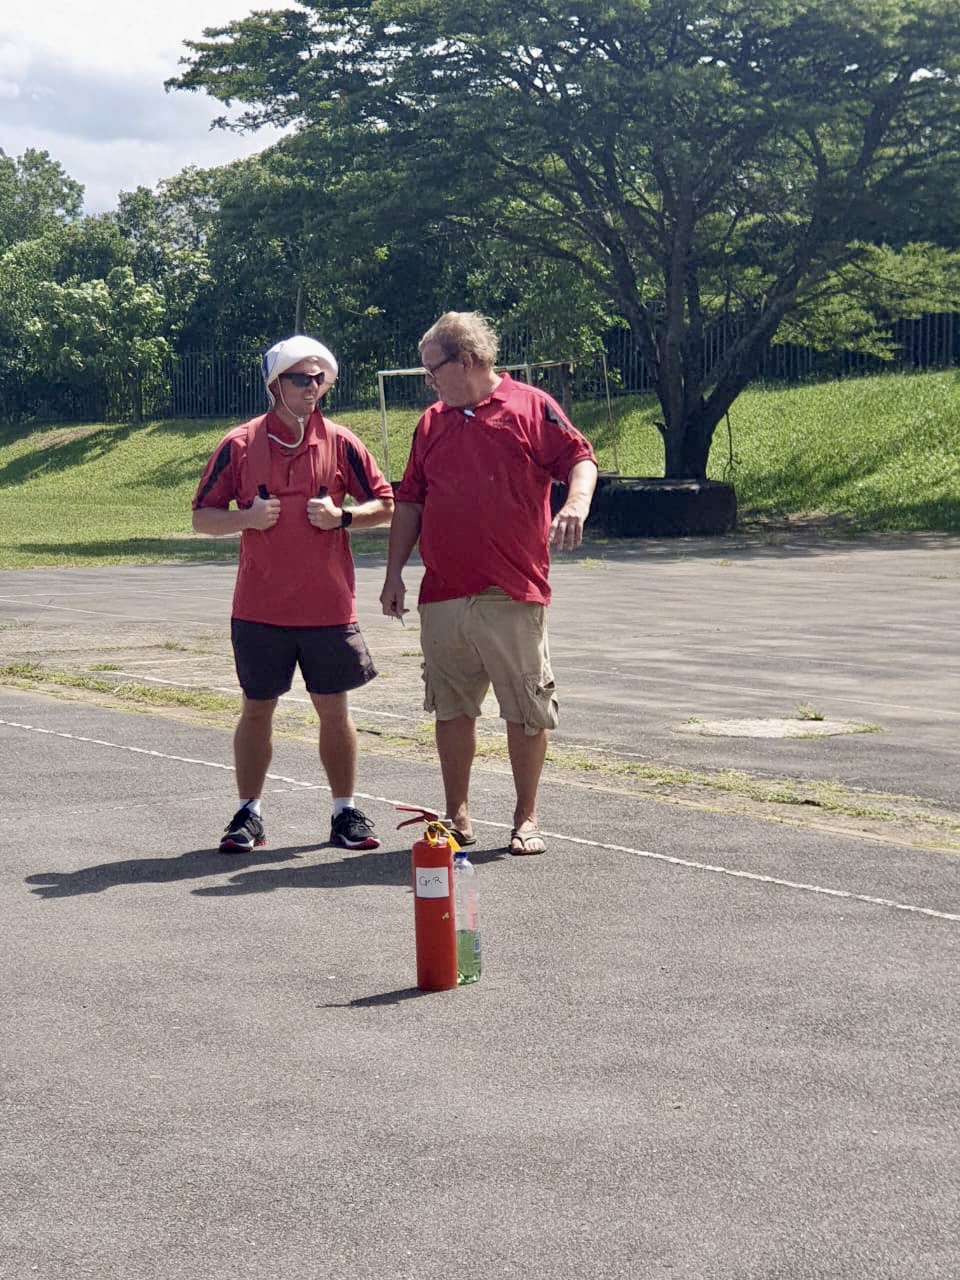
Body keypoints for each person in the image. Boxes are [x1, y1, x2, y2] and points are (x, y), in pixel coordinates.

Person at [380, 311, 598, 856]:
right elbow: (410, 500)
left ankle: (526, 818)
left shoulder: (530, 405)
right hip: (444, 593)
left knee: (526, 708)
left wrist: (575, 504)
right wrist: (393, 575)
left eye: (434, 370)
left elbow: (581, 459)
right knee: (451, 708)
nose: (429, 382)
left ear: (469, 361)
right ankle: (457, 815)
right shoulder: (431, 422)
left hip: (513, 590)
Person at [192, 335, 395, 853]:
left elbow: (387, 504)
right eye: (301, 379)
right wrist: (247, 519)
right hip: (259, 608)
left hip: (328, 606)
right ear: (274, 384)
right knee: (257, 709)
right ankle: (248, 813)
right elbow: (201, 517)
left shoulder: (342, 442)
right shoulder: (239, 445)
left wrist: (342, 516)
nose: (313, 388)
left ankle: (344, 812)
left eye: (319, 379)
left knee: (334, 710)